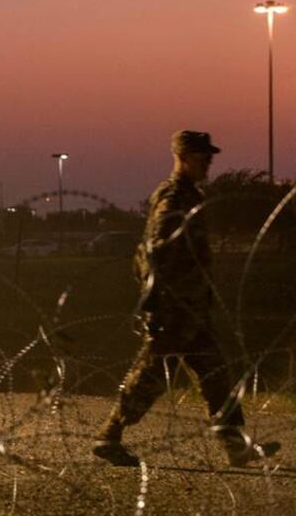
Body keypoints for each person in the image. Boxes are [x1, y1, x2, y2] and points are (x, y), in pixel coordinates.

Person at [92, 131, 281, 468]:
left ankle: (235, 446)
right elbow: (154, 250)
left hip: (191, 308)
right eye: (201, 156)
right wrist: (152, 301)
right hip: (173, 308)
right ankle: (109, 435)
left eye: (209, 157)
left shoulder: (189, 195)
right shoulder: (174, 197)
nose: (208, 162)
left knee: (216, 374)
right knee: (148, 378)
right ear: (183, 156)